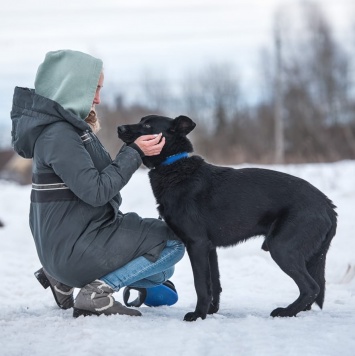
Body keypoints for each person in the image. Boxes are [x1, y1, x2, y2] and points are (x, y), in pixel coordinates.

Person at [11, 49, 185, 317]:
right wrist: (134, 152)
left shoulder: (67, 129)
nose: (98, 99)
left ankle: (63, 279)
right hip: (77, 245)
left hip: (77, 239)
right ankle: (96, 293)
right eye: (95, 89)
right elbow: (96, 191)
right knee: (176, 240)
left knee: (161, 271)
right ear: (73, 85)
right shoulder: (59, 135)